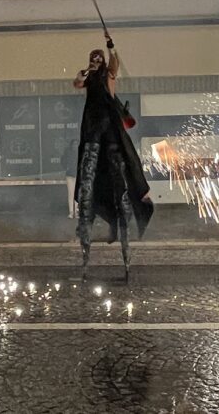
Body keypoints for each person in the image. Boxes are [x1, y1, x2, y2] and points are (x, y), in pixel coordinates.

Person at [72, 33, 153, 281]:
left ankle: (124, 246)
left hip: (109, 136)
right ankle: (86, 258)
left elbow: (115, 64)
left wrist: (111, 47)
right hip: (93, 135)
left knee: (122, 181)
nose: (96, 60)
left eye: (99, 58)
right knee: (87, 186)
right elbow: (76, 83)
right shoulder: (88, 78)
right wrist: (85, 71)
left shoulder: (108, 77)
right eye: (93, 58)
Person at [61, 139, 79, 219]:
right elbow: (63, 160)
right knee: (71, 193)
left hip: (78, 176)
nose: (75, 145)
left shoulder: (81, 152)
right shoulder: (67, 152)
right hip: (69, 175)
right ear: (71, 145)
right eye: (74, 144)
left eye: (76, 144)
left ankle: (76, 212)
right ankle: (71, 212)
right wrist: (66, 167)